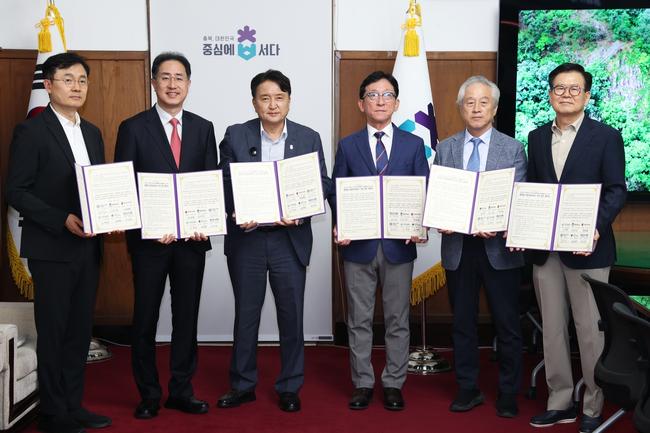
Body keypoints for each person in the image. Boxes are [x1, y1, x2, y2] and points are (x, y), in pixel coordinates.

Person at [6, 52, 112, 433]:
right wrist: (60, 218)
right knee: (53, 332)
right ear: (48, 85)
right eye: (68, 80)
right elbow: (16, 190)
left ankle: (72, 405)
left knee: (80, 332)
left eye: (82, 80)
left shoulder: (92, 133)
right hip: (52, 248)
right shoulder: (32, 131)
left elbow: (98, 187)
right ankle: (52, 413)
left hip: (88, 247)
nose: (76, 87)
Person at [216, 69, 331, 413]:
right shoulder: (236, 135)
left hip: (288, 240)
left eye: (279, 97)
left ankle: (290, 386)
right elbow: (223, 181)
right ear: (254, 103)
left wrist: (301, 212)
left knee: (291, 317)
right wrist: (237, 210)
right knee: (246, 316)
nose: (272, 104)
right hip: (248, 239)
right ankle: (242, 385)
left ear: (289, 101)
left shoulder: (308, 137)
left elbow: (322, 182)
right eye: (264, 98)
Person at [114, 52, 217, 419]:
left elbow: (209, 181)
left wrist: (206, 219)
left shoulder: (204, 127)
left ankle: (181, 391)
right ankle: (148, 394)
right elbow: (125, 186)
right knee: (145, 319)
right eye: (165, 77)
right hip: (149, 245)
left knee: (186, 320)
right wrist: (149, 226)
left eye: (179, 78)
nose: (173, 84)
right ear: (154, 82)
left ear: (188, 84)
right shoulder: (133, 127)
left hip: (191, 243)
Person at [528, 63, 626, 433]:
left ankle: (593, 405)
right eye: (559, 88)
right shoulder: (537, 137)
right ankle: (560, 401)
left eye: (574, 89)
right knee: (552, 329)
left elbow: (616, 190)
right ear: (550, 94)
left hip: (589, 250)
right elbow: (534, 191)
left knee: (589, 331)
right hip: (546, 251)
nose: (566, 94)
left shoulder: (606, 137)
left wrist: (595, 228)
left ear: (586, 95)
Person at [330, 70, 429, 411]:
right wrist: (341, 223)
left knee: (398, 319)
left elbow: (423, 189)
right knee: (358, 319)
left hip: (399, 246)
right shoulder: (348, 145)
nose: (380, 101)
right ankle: (362, 382)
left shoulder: (413, 145)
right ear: (361, 104)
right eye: (373, 95)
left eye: (387, 95)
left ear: (397, 103)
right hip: (358, 245)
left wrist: (420, 223)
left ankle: (393, 382)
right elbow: (337, 191)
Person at [434, 76, 526, 418]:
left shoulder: (513, 148)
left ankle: (508, 392)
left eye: (483, 102)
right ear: (461, 108)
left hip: (498, 249)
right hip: (459, 248)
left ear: (495, 108)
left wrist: (500, 223)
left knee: (507, 324)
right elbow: (438, 194)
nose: (476, 108)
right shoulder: (445, 148)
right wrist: (440, 217)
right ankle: (467, 388)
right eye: (469, 102)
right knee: (463, 323)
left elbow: (518, 197)